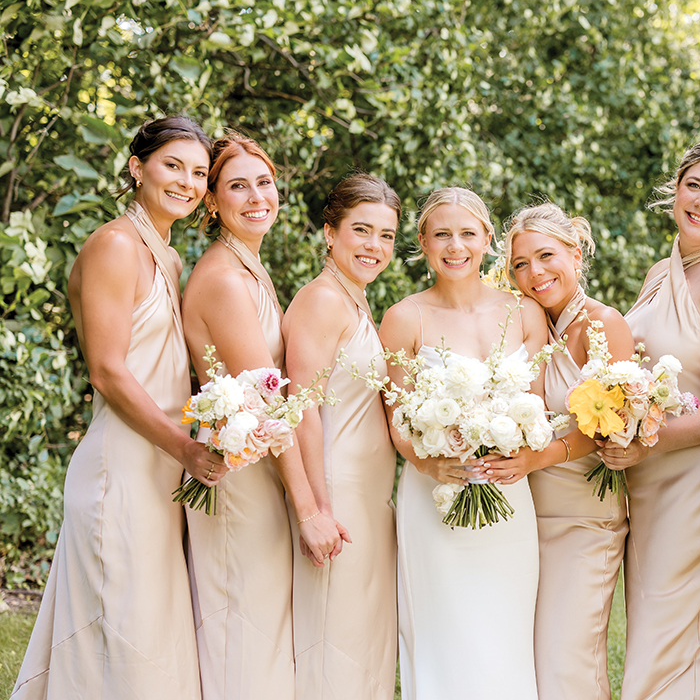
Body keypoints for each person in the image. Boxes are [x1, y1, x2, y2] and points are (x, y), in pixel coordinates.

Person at [11, 116, 218, 700]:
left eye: (199, 172)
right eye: (172, 165)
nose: (186, 181)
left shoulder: (171, 259)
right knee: (120, 640)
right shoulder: (115, 244)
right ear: (137, 167)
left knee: (152, 636)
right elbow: (106, 370)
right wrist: (183, 445)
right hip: (121, 471)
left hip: (161, 471)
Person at [598, 134, 700, 699]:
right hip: (649, 481)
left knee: (675, 642)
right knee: (652, 632)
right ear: (675, 189)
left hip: (699, 485)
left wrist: (646, 444)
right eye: (693, 185)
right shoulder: (659, 270)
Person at [182, 132, 342, 700]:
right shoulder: (224, 280)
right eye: (237, 186)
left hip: (258, 467)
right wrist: (309, 511)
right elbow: (271, 405)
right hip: (241, 479)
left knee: (265, 630)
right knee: (243, 634)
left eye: (265, 183)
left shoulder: (249, 265)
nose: (257, 197)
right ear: (211, 201)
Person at [378, 187, 551, 700]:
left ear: (488, 240)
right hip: (436, 497)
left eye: (468, 234)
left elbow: (536, 406)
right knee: (444, 635)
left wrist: (524, 452)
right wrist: (429, 465)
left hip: (509, 496)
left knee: (504, 634)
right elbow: (396, 419)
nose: (456, 246)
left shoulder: (525, 312)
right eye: (442, 235)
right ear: (423, 243)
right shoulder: (404, 317)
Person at [502, 203, 635, 700]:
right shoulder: (524, 325)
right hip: (525, 515)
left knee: (568, 660)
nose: (534, 273)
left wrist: (537, 457)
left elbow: (610, 426)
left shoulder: (604, 325)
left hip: (585, 519)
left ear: (575, 255)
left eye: (545, 256)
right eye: (520, 264)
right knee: (532, 661)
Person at [282, 172, 401, 699]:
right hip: (338, 492)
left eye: (387, 235)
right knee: (334, 637)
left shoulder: (354, 298)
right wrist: (317, 511)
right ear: (330, 233)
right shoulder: (322, 301)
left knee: (362, 639)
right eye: (362, 230)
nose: (375, 246)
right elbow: (300, 408)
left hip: (368, 495)